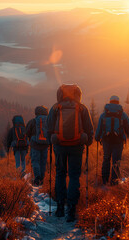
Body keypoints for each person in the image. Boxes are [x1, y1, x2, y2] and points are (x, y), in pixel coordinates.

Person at [47, 84, 94, 222]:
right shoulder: (82, 108)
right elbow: (89, 128)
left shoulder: (55, 107)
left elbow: (49, 127)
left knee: (60, 174)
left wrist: (52, 141)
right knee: (74, 176)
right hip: (77, 146)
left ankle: (60, 207)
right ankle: (72, 209)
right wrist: (88, 141)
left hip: (60, 147)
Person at [95, 95, 129, 186]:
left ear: (110, 102)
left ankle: (105, 181)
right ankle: (114, 182)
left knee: (106, 159)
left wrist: (97, 137)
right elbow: (128, 127)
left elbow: (99, 128)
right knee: (116, 161)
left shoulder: (104, 114)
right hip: (118, 141)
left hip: (106, 140)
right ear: (118, 102)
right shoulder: (122, 114)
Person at [26, 106, 49, 186]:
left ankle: (37, 178)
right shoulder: (49, 121)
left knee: (35, 161)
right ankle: (41, 179)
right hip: (45, 145)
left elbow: (27, 132)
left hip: (35, 144)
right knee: (43, 162)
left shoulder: (33, 121)